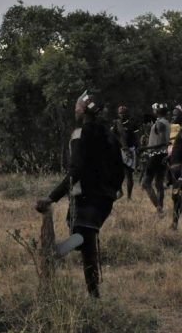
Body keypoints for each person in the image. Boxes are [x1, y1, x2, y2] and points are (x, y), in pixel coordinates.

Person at [35, 92, 123, 298]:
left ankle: (55, 253)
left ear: (83, 111)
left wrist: (52, 197)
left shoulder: (79, 135)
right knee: (86, 243)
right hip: (105, 199)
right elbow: (120, 167)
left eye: (76, 108)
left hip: (85, 196)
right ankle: (93, 294)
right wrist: (114, 190)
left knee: (82, 239)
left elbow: (76, 170)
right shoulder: (110, 135)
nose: (75, 111)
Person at [141, 103, 170, 213]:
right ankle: (160, 208)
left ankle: (159, 208)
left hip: (156, 155)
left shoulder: (159, 124)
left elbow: (162, 142)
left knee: (146, 183)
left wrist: (145, 148)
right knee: (159, 183)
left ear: (156, 111)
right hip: (162, 155)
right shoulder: (166, 122)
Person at [113, 105, 138, 200]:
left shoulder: (131, 123)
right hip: (119, 150)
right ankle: (119, 190)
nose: (122, 115)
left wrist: (136, 148)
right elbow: (114, 136)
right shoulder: (116, 123)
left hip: (130, 150)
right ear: (118, 114)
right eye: (120, 113)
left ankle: (129, 196)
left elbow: (135, 137)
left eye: (124, 113)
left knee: (129, 174)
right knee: (118, 173)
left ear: (127, 114)